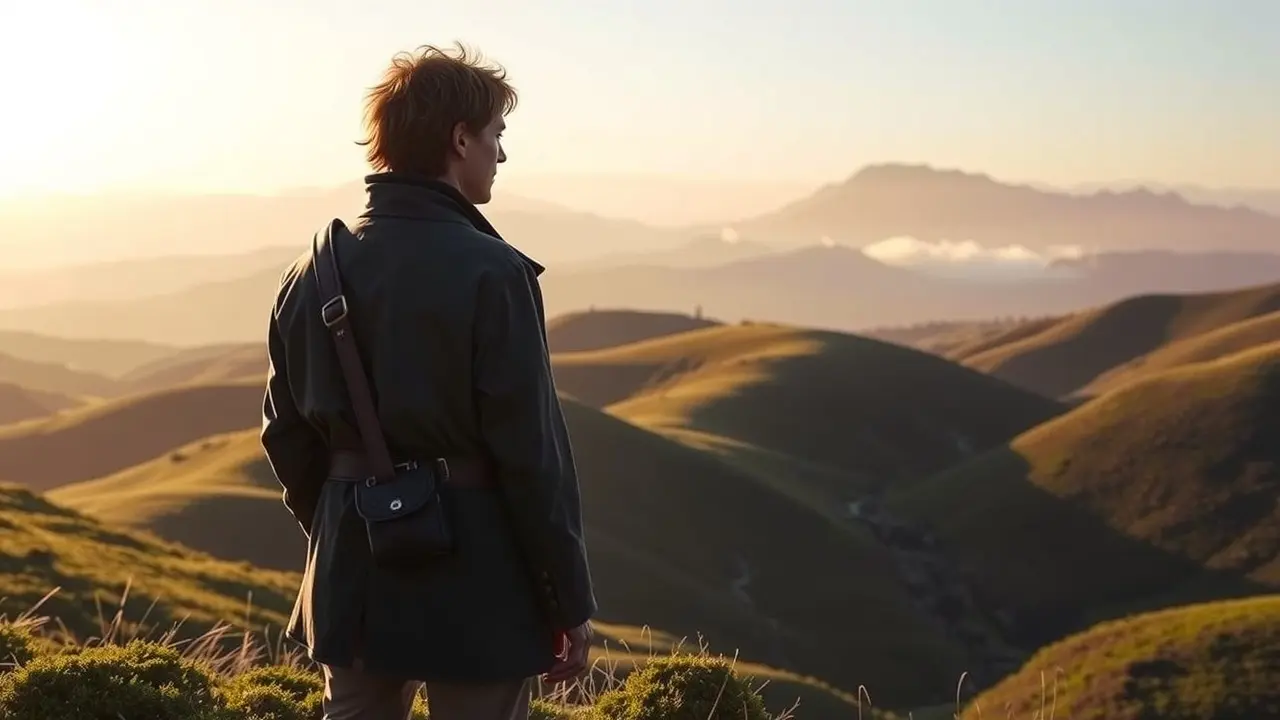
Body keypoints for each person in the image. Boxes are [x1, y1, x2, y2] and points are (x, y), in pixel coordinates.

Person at [260, 43, 597, 720]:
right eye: (497, 136)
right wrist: (567, 600)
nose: (500, 155)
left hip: (351, 574)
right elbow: (532, 455)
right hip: (480, 578)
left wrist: (349, 518)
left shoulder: (310, 271)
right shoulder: (493, 273)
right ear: (460, 137)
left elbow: (284, 435)